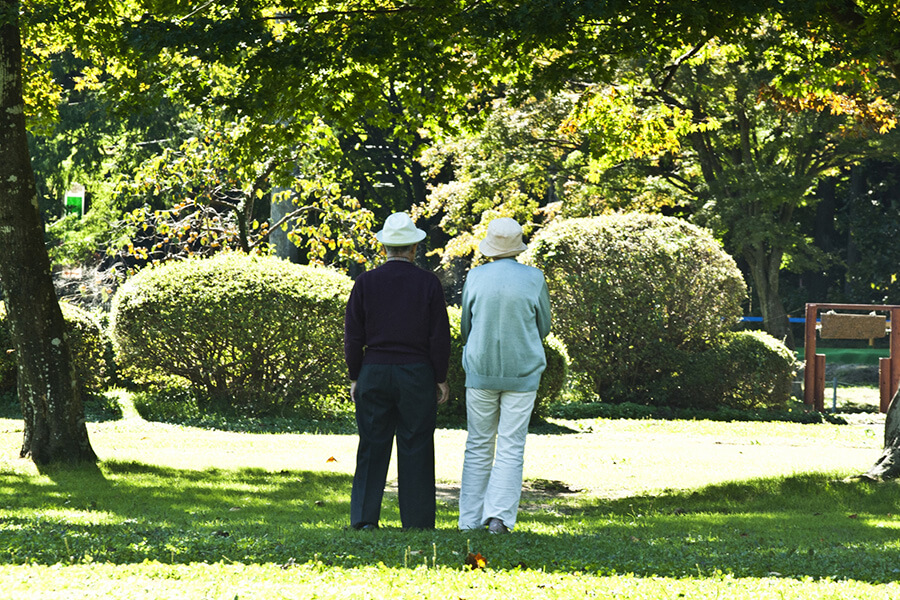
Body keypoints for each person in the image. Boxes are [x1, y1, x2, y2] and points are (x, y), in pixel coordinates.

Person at [344, 212, 451, 530]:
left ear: (384, 248)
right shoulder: (428, 283)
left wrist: (354, 375)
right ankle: (417, 522)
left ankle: (364, 518)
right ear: (414, 249)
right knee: (416, 443)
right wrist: (440, 377)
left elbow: (353, 335)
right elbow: (439, 336)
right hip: (416, 373)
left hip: (374, 370)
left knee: (372, 444)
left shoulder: (365, 282)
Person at [457, 217, 551, 534]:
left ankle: (469, 520)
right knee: (511, 445)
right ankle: (498, 518)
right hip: (522, 371)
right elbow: (544, 327)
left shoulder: (475, 277)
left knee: (478, 445)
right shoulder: (534, 278)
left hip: (481, 369)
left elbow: (464, 328)